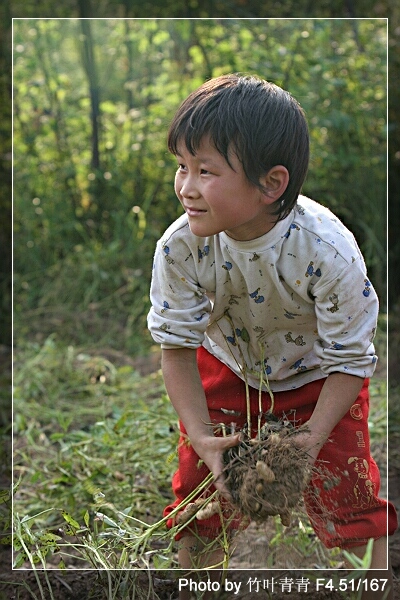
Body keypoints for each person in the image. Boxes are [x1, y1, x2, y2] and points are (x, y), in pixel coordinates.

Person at [147, 74, 397, 599]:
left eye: (206, 171)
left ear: (271, 184)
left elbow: (352, 358)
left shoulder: (327, 252)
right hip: (228, 369)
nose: (186, 186)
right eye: (182, 166)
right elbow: (175, 347)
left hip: (319, 379)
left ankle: (368, 585)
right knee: (201, 497)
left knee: (347, 489)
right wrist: (200, 436)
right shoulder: (179, 249)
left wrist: (311, 440)